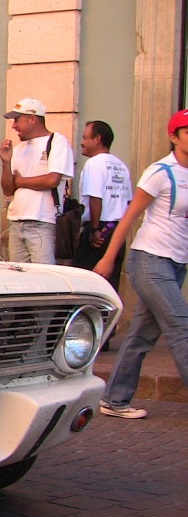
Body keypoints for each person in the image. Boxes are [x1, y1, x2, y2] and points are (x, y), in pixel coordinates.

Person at [94, 109, 188, 420]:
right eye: (187, 132)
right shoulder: (161, 172)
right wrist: (108, 259)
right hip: (150, 261)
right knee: (181, 327)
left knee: (141, 336)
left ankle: (114, 399)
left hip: (176, 264)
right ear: (174, 137)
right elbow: (129, 218)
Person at [0, 98, 75, 264]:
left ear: (32, 118)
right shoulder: (18, 149)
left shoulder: (57, 141)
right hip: (16, 221)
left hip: (43, 221)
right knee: (18, 274)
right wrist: (5, 163)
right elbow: (8, 190)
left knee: (43, 274)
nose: (13, 126)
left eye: (17, 120)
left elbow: (52, 180)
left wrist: (21, 181)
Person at [73, 121, 133, 295]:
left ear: (97, 138)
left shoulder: (94, 163)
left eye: (85, 138)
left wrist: (94, 230)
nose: (82, 142)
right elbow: (128, 202)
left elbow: (95, 198)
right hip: (116, 232)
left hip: (99, 232)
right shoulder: (121, 166)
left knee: (87, 287)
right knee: (110, 289)